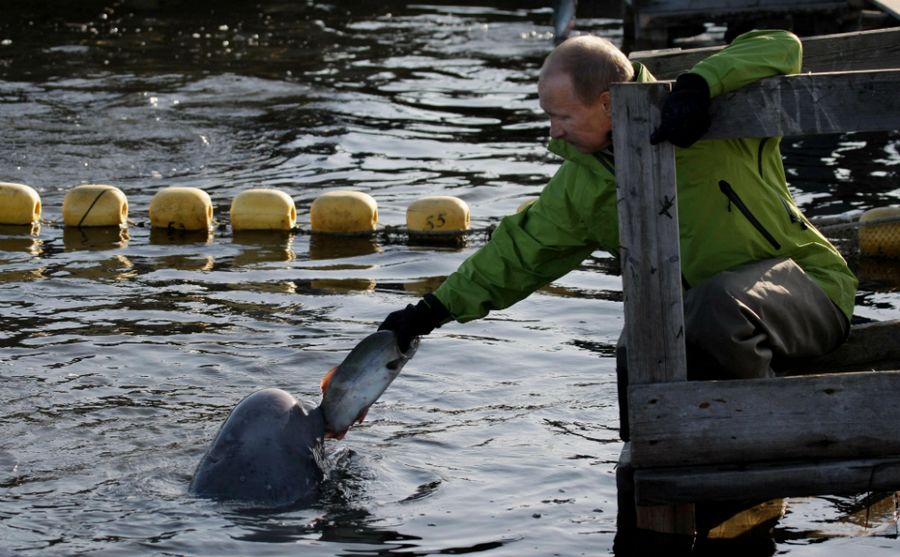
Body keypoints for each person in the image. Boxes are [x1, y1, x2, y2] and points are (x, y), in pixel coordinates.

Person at [378, 30, 857, 440]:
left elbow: (780, 45)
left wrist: (700, 85)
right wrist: (430, 312)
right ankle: (652, 463)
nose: (553, 132)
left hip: (808, 290)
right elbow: (517, 255)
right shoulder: (581, 186)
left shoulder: (713, 117)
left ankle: (762, 433)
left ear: (607, 102)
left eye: (562, 116)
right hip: (702, 323)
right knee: (636, 346)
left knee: (717, 306)